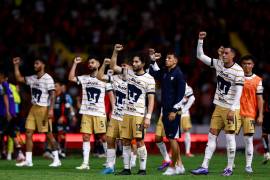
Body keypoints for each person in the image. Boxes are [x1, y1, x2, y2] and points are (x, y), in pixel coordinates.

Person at [191, 32, 244, 176]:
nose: (224, 55)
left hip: (231, 109)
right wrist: (200, 40)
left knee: (229, 138)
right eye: (223, 53)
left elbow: (239, 92)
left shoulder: (239, 71)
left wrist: (233, 109)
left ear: (233, 55)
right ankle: (204, 166)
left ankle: (229, 168)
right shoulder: (219, 64)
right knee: (211, 136)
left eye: (227, 53)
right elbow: (200, 56)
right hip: (219, 107)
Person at [110, 46, 155, 175]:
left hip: (139, 114)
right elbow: (113, 66)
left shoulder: (149, 79)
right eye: (133, 62)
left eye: (136, 62)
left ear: (143, 63)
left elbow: (151, 99)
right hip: (126, 113)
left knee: (140, 141)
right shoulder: (128, 73)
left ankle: (142, 169)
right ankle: (126, 168)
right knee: (125, 141)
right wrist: (116, 52)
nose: (134, 64)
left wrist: (148, 116)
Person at [13, 57, 61, 167]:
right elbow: (19, 78)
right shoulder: (33, 78)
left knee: (49, 135)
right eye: (34, 63)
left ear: (43, 65)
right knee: (28, 133)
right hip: (33, 108)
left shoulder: (48, 78)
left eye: (37, 63)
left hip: (44, 108)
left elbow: (53, 95)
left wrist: (51, 109)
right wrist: (16, 65)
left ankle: (57, 159)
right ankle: (29, 161)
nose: (35, 65)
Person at [149, 50, 186, 175]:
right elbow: (154, 73)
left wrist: (174, 110)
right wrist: (153, 60)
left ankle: (173, 167)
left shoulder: (178, 74)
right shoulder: (166, 71)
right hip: (165, 110)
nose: (166, 60)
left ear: (175, 61)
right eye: (166, 58)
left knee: (172, 139)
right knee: (171, 138)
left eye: (169, 58)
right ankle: (180, 166)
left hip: (172, 112)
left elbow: (181, 95)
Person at [68, 56, 109, 170]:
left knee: (104, 137)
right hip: (86, 112)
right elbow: (71, 78)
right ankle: (85, 164)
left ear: (98, 64)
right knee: (86, 137)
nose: (90, 64)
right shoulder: (84, 78)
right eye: (89, 63)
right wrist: (75, 63)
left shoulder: (104, 79)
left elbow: (111, 94)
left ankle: (109, 161)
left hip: (99, 112)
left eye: (92, 62)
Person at [97, 44, 129, 174]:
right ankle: (110, 166)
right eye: (122, 66)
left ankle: (129, 165)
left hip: (129, 114)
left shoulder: (134, 80)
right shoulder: (114, 78)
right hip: (116, 114)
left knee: (129, 142)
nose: (123, 69)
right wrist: (104, 65)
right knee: (110, 139)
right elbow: (100, 77)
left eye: (126, 67)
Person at [236, 55, 264, 173]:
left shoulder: (258, 80)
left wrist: (260, 114)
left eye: (249, 63)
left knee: (248, 140)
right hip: (235, 111)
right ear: (241, 65)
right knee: (230, 137)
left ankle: (248, 166)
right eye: (244, 64)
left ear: (253, 65)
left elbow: (260, 99)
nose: (247, 66)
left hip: (249, 113)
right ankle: (229, 164)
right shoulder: (237, 78)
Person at [262, 75, 270, 164]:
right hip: (267, 111)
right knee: (264, 133)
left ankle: (267, 152)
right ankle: (267, 152)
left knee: (264, 133)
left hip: (267, 112)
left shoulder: (265, 82)